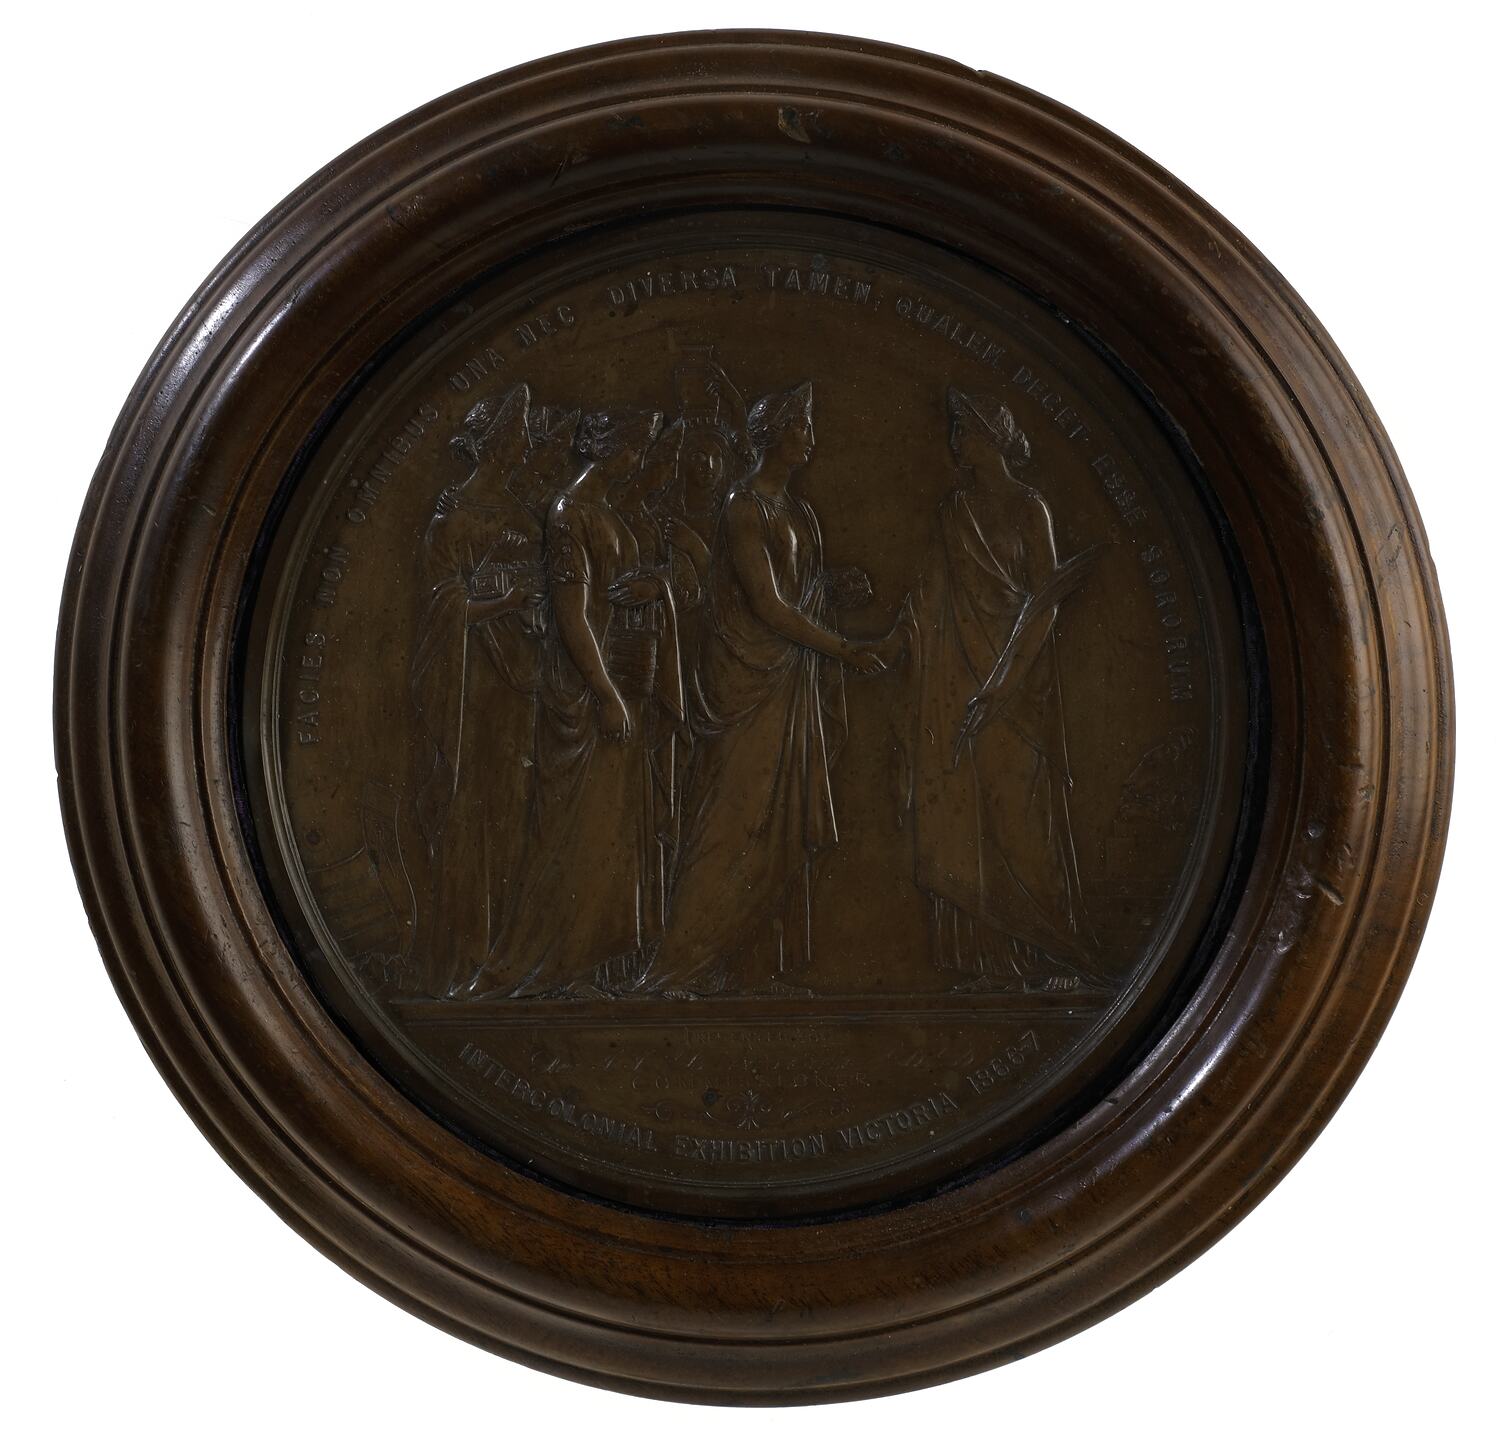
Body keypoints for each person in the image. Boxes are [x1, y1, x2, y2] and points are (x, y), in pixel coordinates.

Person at [643, 381, 890, 996]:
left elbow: (797, 592)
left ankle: (753, 967)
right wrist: (843, 648)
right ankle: (677, 967)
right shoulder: (743, 507)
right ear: (772, 434)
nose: (809, 436)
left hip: (789, 680)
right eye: (799, 424)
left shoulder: (801, 513)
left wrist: (832, 588)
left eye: (809, 424)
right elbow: (766, 604)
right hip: (746, 683)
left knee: (779, 827)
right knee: (730, 822)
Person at [469, 407, 684, 997]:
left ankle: (592, 965)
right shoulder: (569, 514)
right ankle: (549, 968)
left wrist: (654, 586)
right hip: (585, 699)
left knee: (610, 829)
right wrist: (605, 694)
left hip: (621, 684)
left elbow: (618, 591)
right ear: (606, 446)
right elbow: (571, 615)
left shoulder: (609, 512)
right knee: (574, 832)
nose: (639, 460)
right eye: (634, 447)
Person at [896, 387, 1097, 990]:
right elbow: (930, 601)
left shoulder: (1029, 508)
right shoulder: (952, 511)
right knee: (965, 815)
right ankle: (985, 962)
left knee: (1022, 818)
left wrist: (1002, 682)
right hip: (954, 684)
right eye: (954, 430)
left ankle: (1050, 956)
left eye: (963, 431)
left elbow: (1044, 605)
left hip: (1018, 689)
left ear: (989, 438)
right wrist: (893, 646)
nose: (955, 442)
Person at [407, 383, 546, 996]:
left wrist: (530, 610)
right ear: (495, 443)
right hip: (469, 696)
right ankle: (461, 960)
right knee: (471, 815)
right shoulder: (452, 520)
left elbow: (543, 596)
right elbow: (440, 612)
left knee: (515, 813)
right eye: (519, 435)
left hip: (519, 690)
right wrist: (503, 602)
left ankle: (505, 964)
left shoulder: (524, 517)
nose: (527, 445)